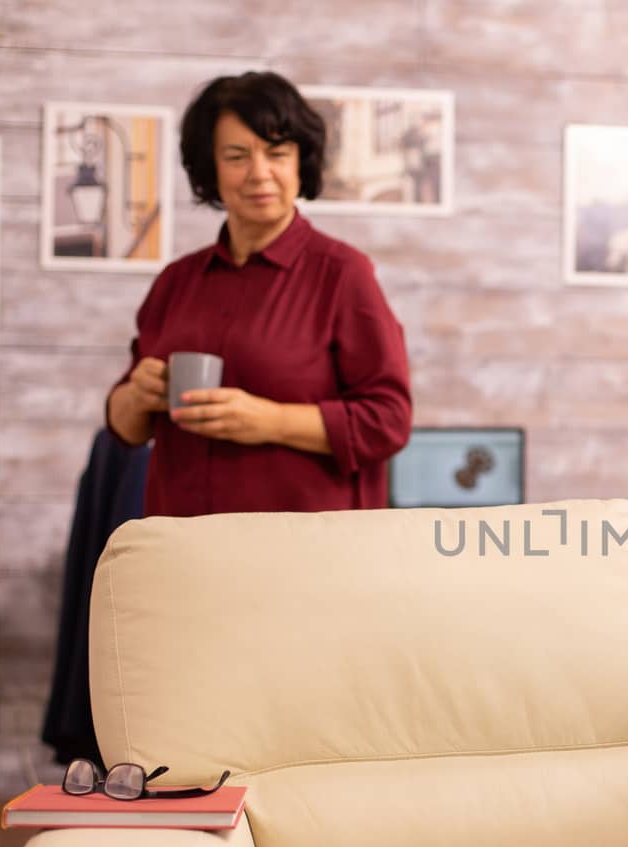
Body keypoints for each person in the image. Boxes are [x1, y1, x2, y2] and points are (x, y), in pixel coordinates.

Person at [106, 71, 412, 516]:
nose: (259, 173)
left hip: (302, 555)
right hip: (183, 548)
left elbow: (389, 421)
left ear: (298, 163)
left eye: (277, 153)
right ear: (210, 166)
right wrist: (136, 395)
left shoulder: (344, 275)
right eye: (237, 155)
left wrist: (271, 421)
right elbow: (126, 428)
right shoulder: (177, 281)